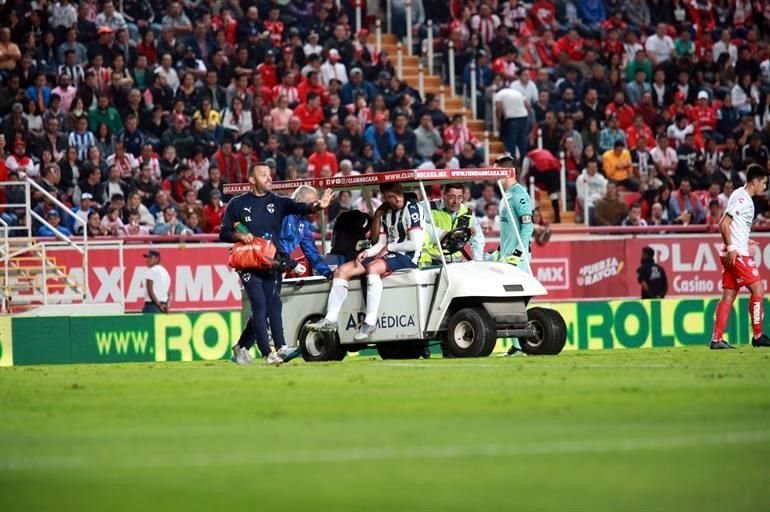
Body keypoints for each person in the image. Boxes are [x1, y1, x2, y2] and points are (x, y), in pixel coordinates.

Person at [220, 162, 332, 365]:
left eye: (270, 174)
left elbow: (302, 208)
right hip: (249, 262)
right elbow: (224, 232)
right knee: (260, 304)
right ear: (252, 180)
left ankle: (275, 347)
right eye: (264, 175)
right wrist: (238, 235)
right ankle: (267, 353)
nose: (269, 178)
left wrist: (318, 206)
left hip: (273, 263)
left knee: (273, 304)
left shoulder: (279, 203)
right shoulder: (236, 204)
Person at [307, 182, 425, 341]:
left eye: (398, 194)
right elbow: (381, 243)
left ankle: (370, 321)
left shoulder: (413, 209)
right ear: (385, 197)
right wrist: (367, 252)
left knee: (372, 267)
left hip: (408, 256)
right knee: (341, 271)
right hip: (389, 252)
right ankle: (331, 319)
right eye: (391, 196)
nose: (396, 199)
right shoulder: (387, 213)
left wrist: (390, 247)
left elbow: (415, 244)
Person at [710, 164, 770, 349]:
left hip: (734, 251)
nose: (765, 187)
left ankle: (716, 339)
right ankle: (758, 335)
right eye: (764, 183)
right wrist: (732, 247)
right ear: (755, 181)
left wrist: (745, 240)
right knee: (758, 290)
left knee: (728, 295)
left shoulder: (738, 193)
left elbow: (734, 226)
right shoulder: (744, 199)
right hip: (736, 254)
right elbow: (723, 224)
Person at [489, 154, 532, 358]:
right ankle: (517, 346)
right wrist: (499, 251)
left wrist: (517, 253)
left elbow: (528, 227)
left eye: (496, 171)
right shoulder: (505, 196)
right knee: (509, 302)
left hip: (518, 259)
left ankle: (520, 345)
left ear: (506, 172)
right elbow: (509, 231)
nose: (493, 175)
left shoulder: (520, 195)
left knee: (515, 302)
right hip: (506, 257)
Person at [420, 183, 486, 266]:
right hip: (434, 260)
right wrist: (443, 233)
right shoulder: (428, 208)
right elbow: (422, 228)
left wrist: (478, 262)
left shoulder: (467, 213)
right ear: (443, 194)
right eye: (451, 197)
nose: (456, 201)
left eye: (459, 197)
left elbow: (477, 240)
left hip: (456, 263)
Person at [279, 185, 332, 278]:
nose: (316, 206)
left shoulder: (304, 223)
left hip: (281, 265)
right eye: (313, 202)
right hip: (268, 261)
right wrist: (290, 263)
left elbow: (311, 251)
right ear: (302, 201)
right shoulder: (282, 214)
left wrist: (328, 272)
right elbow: (273, 243)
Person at [143, 249, 171, 313]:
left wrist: (159, 305)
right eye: (147, 257)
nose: (147, 260)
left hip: (152, 306)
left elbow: (150, 291)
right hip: (163, 307)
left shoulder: (151, 270)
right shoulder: (165, 272)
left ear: (157, 258)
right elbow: (170, 293)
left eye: (150, 257)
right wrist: (167, 305)